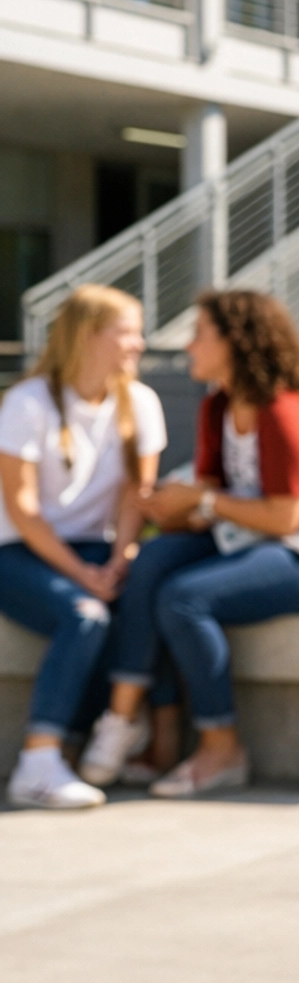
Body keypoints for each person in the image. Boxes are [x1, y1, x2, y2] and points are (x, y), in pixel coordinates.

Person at [80, 289, 299, 795]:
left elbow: (284, 515)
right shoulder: (217, 406)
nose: (188, 347)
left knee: (185, 597)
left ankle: (221, 748)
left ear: (235, 343)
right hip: (247, 535)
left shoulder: (283, 411)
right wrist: (172, 507)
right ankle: (137, 726)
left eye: (199, 335)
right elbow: (213, 495)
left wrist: (201, 502)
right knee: (151, 564)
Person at [0, 285, 165, 809]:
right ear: (91, 336)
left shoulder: (140, 402)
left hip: (98, 551)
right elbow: (23, 510)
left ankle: (133, 739)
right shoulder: (27, 402)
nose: (138, 344)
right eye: (127, 332)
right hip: (20, 551)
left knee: (149, 595)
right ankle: (39, 762)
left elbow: (135, 497)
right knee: (87, 615)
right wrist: (82, 574)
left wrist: (121, 558)